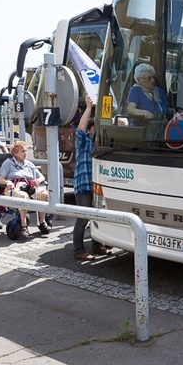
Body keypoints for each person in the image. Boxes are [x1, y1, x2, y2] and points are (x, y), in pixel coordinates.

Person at [72, 94, 110, 261]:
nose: (96, 130)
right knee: (83, 218)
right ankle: (78, 250)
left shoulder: (98, 144)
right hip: (83, 185)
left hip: (97, 186)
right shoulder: (83, 141)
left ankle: (97, 245)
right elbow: (80, 128)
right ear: (90, 128)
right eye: (94, 127)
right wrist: (88, 108)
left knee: (98, 216)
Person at [0, 140, 52, 239]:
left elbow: (42, 177)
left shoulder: (29, 164)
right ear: (15, 153)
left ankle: (42, 221)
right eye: (22, 151)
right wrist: (8, 182)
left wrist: (38, 180)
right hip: (15, 187)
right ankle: (24, 225)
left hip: (30, 187)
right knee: (23, 196)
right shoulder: (8, 163)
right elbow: (1, 179)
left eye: (26, 151)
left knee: (44, 194)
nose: (25, 153)